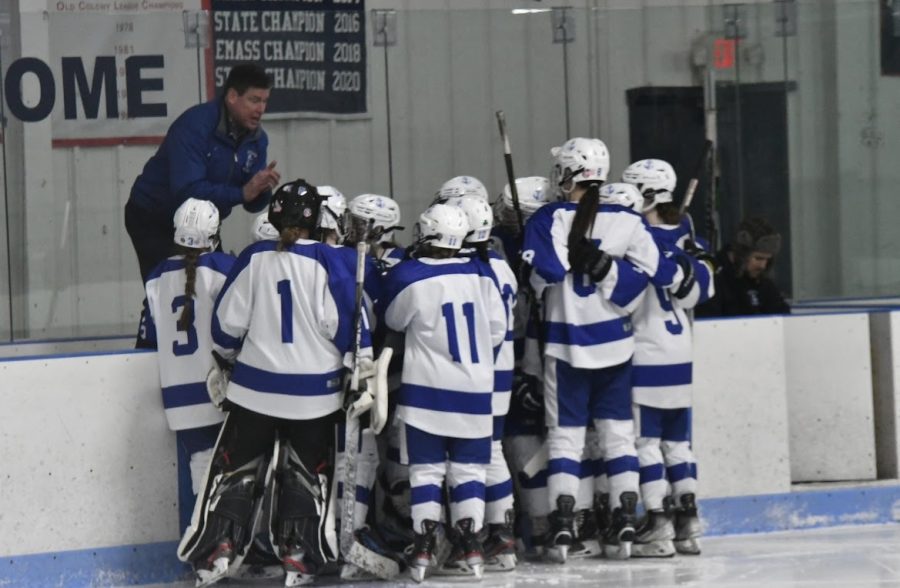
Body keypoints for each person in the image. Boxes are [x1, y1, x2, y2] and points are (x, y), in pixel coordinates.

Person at [177, 179, 373, 587]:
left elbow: (226, 328)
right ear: (316, 220)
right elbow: (344, 328)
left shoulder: (254, 257)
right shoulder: (330, 261)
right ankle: (298, 555)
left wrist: (227, 362)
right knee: (307, 474)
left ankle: (219, 549)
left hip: (254, 392)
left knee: (236, 472)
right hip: (313, 398)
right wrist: (358, 365)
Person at [522, 138, 694, 564]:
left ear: (566, 174)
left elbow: (544, 270)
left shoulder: (549, 217)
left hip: (565, 347)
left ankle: (565, 521)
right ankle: (626, 518)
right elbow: (660, 274)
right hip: (617, 348)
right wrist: (610, 269)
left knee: (566, 439)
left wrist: (583, 262)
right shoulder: (630, 222)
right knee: (619, 438)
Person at [381, 203, 507, 582]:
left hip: (426, 393)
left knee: (426, 472)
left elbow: (392, 320)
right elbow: (498, 329)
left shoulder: (410, 275)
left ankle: (423, 546)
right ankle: (471, 544)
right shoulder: (483, 273)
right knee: (469, 470)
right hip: (475, 391)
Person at [622, 159, 714, 557]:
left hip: (646, 353)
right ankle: (688, 522)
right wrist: (689, 255)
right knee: (678, 444)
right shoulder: (684, 239)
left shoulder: (632, 239)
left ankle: (657, 522)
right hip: (681, 353)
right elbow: (701, 292)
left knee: (645, 443)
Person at [126, 63, 280, 284]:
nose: (261, 109)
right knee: (166, 288)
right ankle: (151, 319)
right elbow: (187, 191)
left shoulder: (257, 139)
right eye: (254, 100)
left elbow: (251, 204)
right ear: (232, 97)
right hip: (154, 216)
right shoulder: (195, 126)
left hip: (203, 221)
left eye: (265, 101)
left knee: (217, 285)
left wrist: (262, 190)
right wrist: (242, 193)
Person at [143, 198, 234, 534]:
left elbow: (152, 333)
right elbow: (235, 327)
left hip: (178, 394)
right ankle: (229, 539)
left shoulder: (156, 277)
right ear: (214, 232)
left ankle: (207, 541)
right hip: (221, 387)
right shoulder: (225, 267)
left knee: (201, 465)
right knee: (233, 468)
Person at [695, 216, 789, 317]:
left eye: (768, 260)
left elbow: (782, 315)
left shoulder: (764, 283)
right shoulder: (712, 279)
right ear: (741, 254)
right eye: (758, 258)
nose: (763, 265)